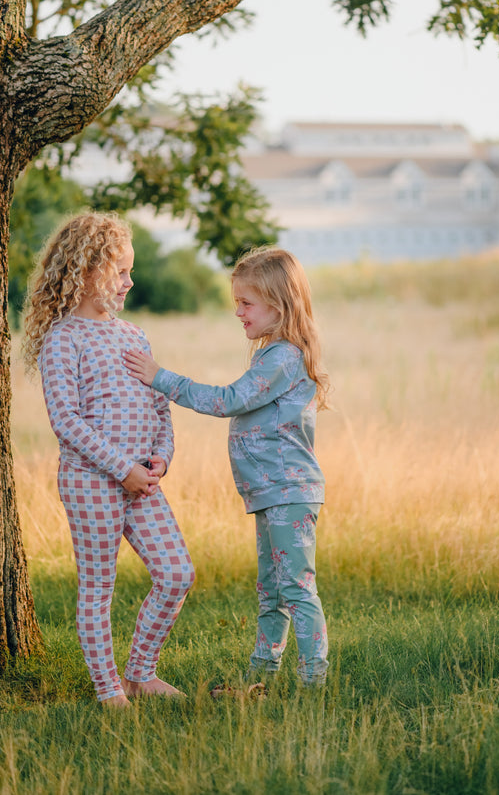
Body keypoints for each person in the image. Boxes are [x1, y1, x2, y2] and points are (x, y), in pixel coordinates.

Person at [123, 246, 330, 687]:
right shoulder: (271, 354)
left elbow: (228, 401)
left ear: (278, 303)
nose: (238, 312)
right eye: (236, 302)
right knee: (271, 590)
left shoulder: (283, 358)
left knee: (295, 589)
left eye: (246, 303)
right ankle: (264, 672)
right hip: (270, 492)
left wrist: (161, 378)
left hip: (289, 493)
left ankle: (314, 681)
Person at [22, 211, 195, 707]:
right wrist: (124, 469)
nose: (129, 281)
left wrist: (161, 456)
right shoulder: (63, 339)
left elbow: (159, 405)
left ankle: (141, 672)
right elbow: (66, 421)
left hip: (144, 482)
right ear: (88, 269)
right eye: (120, 271)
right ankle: (108, 689)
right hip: (92, 481)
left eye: (130, 271)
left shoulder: (133, 335)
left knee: (177, 572)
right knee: (98, 586)